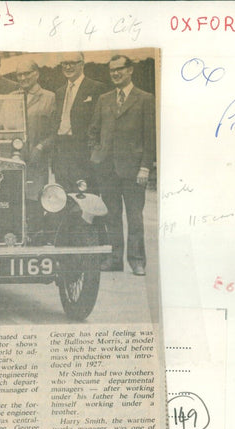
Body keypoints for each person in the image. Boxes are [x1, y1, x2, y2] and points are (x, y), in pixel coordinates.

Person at [88, 55, 155, 276]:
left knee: (135, 217)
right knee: (111, 216)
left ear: (130, 70)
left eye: (119, 69)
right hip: (106, 169)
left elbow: (150, 137)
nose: (115, 73)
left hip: (134, 170)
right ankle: (114, 259)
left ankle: (137, 262)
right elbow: (93, 131)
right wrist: (96, 155)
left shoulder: (145, 99)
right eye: (112, 70)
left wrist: (145, 167)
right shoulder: (104, 99)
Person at [36, 52, 104, 191]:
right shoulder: (60, 92)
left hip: (83, 152)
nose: (68, 67)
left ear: (82, 64)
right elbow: (57, 123)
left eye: (73, 63)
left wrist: (95, 152)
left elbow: (100, 124)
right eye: (65, 63)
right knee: (63, 197)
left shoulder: (96, 87)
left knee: (85, 196)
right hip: (61, 152)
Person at [15, 60, 55, 215]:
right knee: (13, 203)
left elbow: (55, 132)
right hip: (15, 161)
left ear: (36, 74)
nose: (23, 77)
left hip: (37, 162)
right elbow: (1, 127)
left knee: (35, 205)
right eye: (20, 74)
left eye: (27, 73)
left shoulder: (49, 97)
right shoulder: (11, 98)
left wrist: (41, 147)